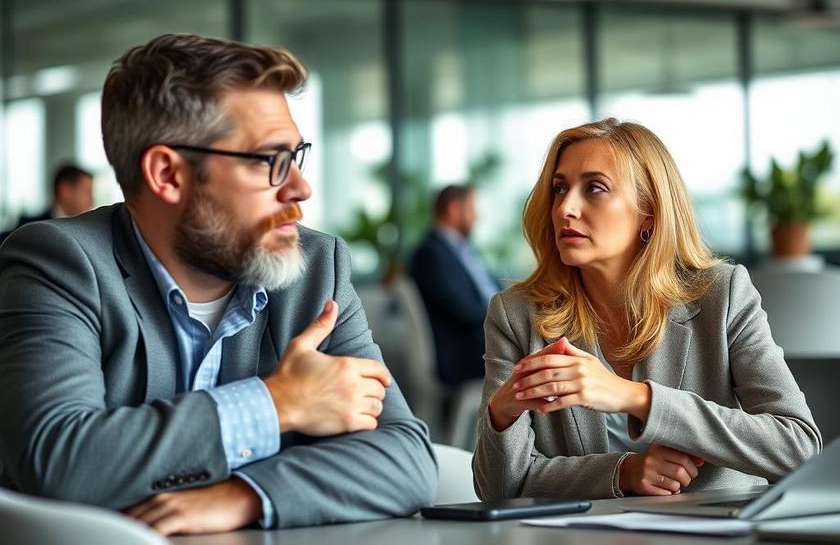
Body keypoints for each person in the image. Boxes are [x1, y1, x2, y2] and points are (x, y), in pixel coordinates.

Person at [0, 33, 436, 535]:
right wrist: (278, 403)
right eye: (269, 160)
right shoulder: (59, 262)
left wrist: (246, 496)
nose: (299, 187)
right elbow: (57, 460)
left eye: (298, 155)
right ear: (168, 174)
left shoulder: (316, 267)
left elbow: (406, 458)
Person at [473, 118, 821, 501]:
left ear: (649, 213)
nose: (564, 208)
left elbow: (798, 448)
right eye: (559, 188)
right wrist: (622, 472)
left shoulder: (721, 294)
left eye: (595, 189)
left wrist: (634, 397)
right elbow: (501, 490)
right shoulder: (516, 314)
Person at [409, 184, 501, 389]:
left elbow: (493, 288)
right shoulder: (430, 255)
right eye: (471, 209)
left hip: (483, 340)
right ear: (453, 209)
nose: (477, 217)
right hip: (465, 353)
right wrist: (506, 320)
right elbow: (464, 311)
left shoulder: (463, 250)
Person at [0, 163, 94, 244]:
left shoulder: (88, 233)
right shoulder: (27, 228)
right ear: (65, 191)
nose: (91, 201)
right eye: (87, 192)